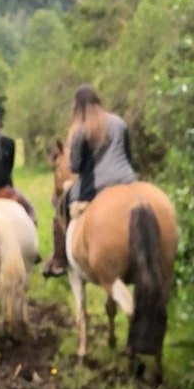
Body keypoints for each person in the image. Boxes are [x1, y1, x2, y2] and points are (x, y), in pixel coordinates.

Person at [42, 84, 137, 277]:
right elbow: (129, 156)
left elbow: (75, 166)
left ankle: (61, 258)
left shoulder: (80, 129)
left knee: (62, 206)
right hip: (127, 180)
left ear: (77, 107)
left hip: (95, 186)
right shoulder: (119, 122)